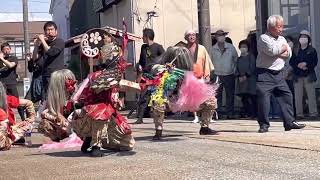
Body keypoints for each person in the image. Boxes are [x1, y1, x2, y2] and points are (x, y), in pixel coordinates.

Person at [256, 15, 305, 133]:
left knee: (287, 96)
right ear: (271, 27)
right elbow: (271, 51)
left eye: (282, 26)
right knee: (264, 100)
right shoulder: (263, 38)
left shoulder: (282, 39)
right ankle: (264, 125)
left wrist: (279, 51)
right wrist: (279, 51)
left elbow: (288, 54)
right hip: (265, 73)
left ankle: (289, 122)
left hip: (279, 74)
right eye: (279, 27)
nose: (281, 29)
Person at [134, 28, 165, 124]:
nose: (142, 38)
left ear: (147, 37)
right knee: (143, 97)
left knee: (157, 97)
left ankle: (159, 119)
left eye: (143, 36)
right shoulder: (144, 47)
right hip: (145, 75)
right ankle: (140, 118)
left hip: (155, 76)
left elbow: (165, 59)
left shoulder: (158, 47)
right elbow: (141, 61)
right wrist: (139, 67)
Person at [184, 30, 214, 123]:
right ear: (186, 37)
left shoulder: (201, 48)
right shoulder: (184, 49)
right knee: (193, 97)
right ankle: (196, 116)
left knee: (205, 96)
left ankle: (208, 116)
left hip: (200, 74)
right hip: (189, 75)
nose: (192, 37)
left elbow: (207, 61)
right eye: (189, 35)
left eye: (193, 35)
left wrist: (207, 74)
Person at [33, 21, 65, 101]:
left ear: (56, 31)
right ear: (44, 32)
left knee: (56, 98)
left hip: (57, 74)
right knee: (45, 99)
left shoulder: (59, 41)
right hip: (45, 75)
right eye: (47, 30)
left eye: (51, 29)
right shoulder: (44, 44)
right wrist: (36, 45)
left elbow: (51, 52)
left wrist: (42, 41)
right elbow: (34, 58)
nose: (50, 32)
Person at [290, 30, 318, 119]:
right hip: (297, 75)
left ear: (308, 39)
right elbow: (292, 61)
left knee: (311, 95)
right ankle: (299, 114)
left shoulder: (312, 50)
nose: (303, 39)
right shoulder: (295, 50)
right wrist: (298, 65)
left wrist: (306, 64)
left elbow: (314, 62)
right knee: (298, 96)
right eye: (301, 37)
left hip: (309, 75)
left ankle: (313, 113)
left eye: (305, 37)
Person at [210, 29, 238, 119]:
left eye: (222, 35)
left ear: (224, 36)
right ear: (216, 37)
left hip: (229, 74)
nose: (220, 37)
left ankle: (230, 113)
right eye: (218, 35)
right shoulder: (212, 49)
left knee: (230, 95)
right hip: (217, 75)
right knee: (217, 95)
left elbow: (236, 59)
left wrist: (234, 70)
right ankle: (218, 113)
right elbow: (210, 62)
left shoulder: (231, 47)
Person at [0, 82, 35, 151]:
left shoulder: (7, 99)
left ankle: (10, 140)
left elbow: (29, 103)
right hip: (4, 134)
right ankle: (7, 141)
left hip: (8, 131)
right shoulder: (7, 99)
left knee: (28, 125)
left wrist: (30, 118)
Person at [0, 43, 25, 120]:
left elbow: (11, 65)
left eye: (8, 49)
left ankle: (23, 119)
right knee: (3, 103)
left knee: (17, 102)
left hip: (11, 83)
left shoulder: (13, 58)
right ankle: (6, 120)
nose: (7, 51)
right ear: (2, 50)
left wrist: (2, 59)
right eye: (5, 49)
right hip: (2, 84)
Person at [235, 40, 256, 119]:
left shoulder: (251, 56)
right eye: (241, 47)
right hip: (241, 81)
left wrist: (246, 76)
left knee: (252, 97)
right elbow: (236, 68)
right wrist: (239, 76)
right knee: (244, 98)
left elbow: (252, 67)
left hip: (250, 80)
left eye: (245, 47)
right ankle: (247, 113)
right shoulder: (239, 58)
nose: (243, 48)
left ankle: (253, 114)